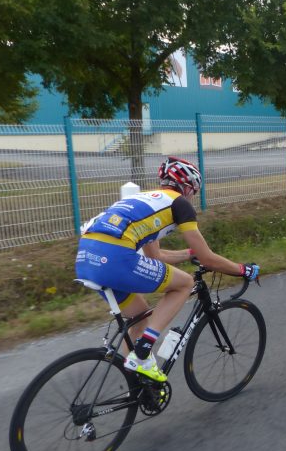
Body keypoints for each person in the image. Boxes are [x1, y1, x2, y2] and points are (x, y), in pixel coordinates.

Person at [75, 157, 260, 382]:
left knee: (139, 318)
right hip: (115, 258)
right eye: (194, 192)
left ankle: (135, 382)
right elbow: (208, 259)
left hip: (87, 259)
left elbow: (156, 256)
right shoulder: (179, 203)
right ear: (187, 188)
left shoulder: (146, 201)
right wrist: (243, 270)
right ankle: (143, 350)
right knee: (185, 283)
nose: (192, 197)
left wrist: (190, 253)